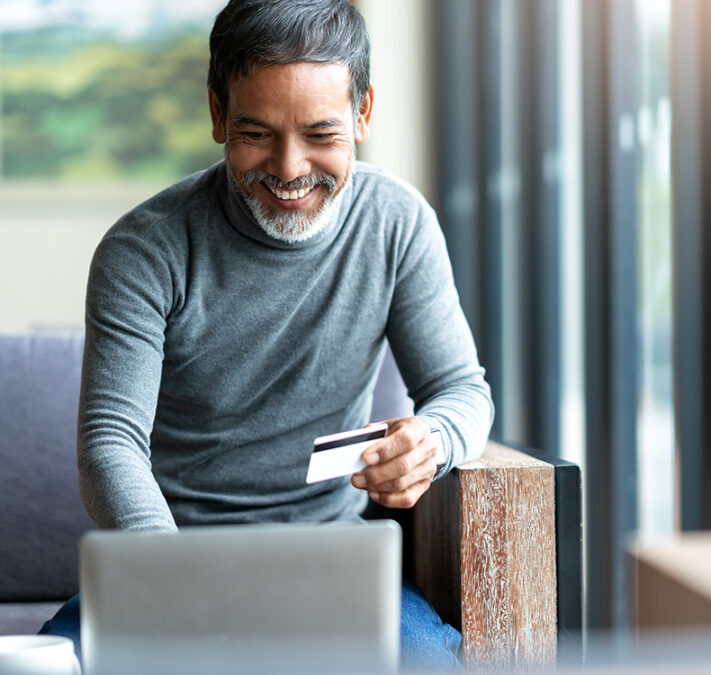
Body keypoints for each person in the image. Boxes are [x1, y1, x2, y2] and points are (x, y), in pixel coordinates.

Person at [38, 0, 493, 669]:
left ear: (363, 113)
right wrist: (172, 582)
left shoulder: (398, 225)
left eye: (321, 134)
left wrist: (436, 442)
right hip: (168, 561)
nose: (289, 168)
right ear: (218, 114)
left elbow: (462, 390)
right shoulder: (145, 249)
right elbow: (111, 442)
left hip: (333, 565)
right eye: (256, 133)